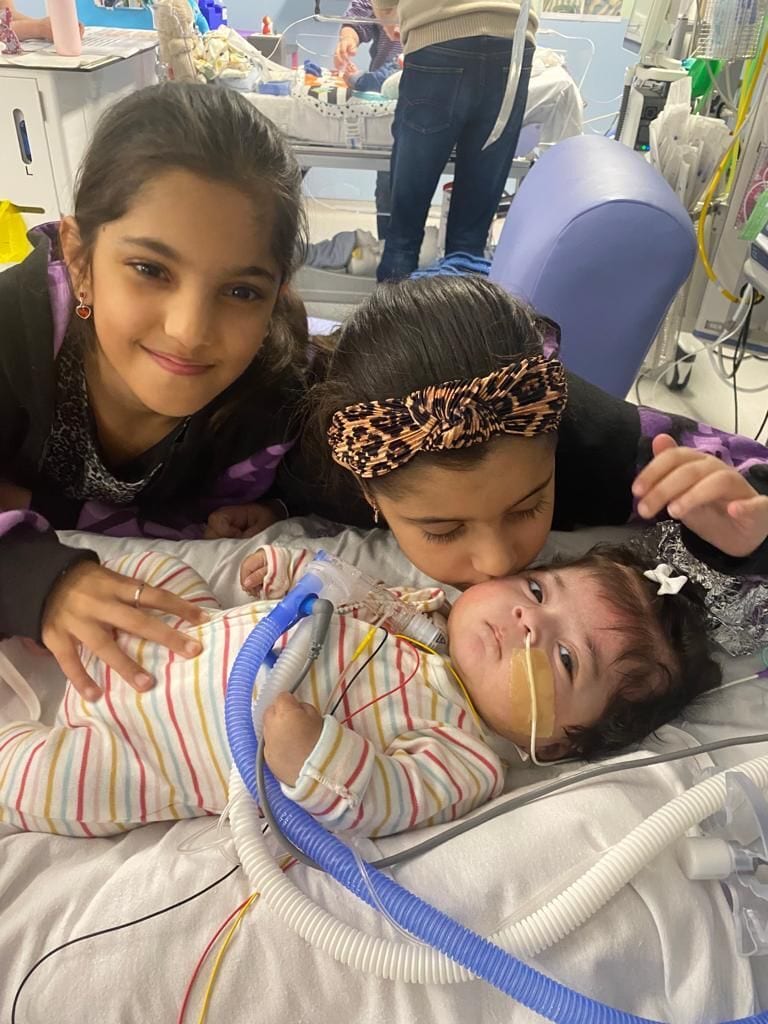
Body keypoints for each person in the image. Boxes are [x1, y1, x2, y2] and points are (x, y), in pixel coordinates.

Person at [0, 533, 725, 837]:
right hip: (190, 633)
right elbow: (342, 587)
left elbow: (376, 799)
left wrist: (309, 753)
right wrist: (289, 571)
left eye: (567, 661)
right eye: (537, 590)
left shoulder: (464, 757)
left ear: (562, 745)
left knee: (49, 785)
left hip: (160, 748)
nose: (527, 623)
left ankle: (18, 744)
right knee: (152, 583)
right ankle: (67, 631)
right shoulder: (424, 612)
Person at [0, 82, 311, 701]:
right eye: (150, 270)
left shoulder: (278, 396)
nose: (189, 331)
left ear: (275, 295)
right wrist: (35, 579)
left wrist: (275, 513)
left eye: (241, 291)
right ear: (80, 258)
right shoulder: (14, 334)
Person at [282, 275, 768, 589]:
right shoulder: (320, 447)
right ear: (367, 490)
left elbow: (750, 483)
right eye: (442, 530)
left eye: (529, 507)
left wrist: (746, 539)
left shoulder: (607, 446)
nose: (496, 562)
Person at [371, 2, 537, 281]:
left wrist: (387, 11)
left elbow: (386, 6)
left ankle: (392, 322)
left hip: (437, 32)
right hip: (513, 39)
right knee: (469, 244)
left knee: (403, 234)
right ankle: (460, 323)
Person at [333, 0, 403, 240]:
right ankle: (387, 247)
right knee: (387, 186)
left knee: (409, 190)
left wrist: (360, 80)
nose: (395, 32)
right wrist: (348, 38)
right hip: (385, 105)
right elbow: (361, 10)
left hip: (427, 93)